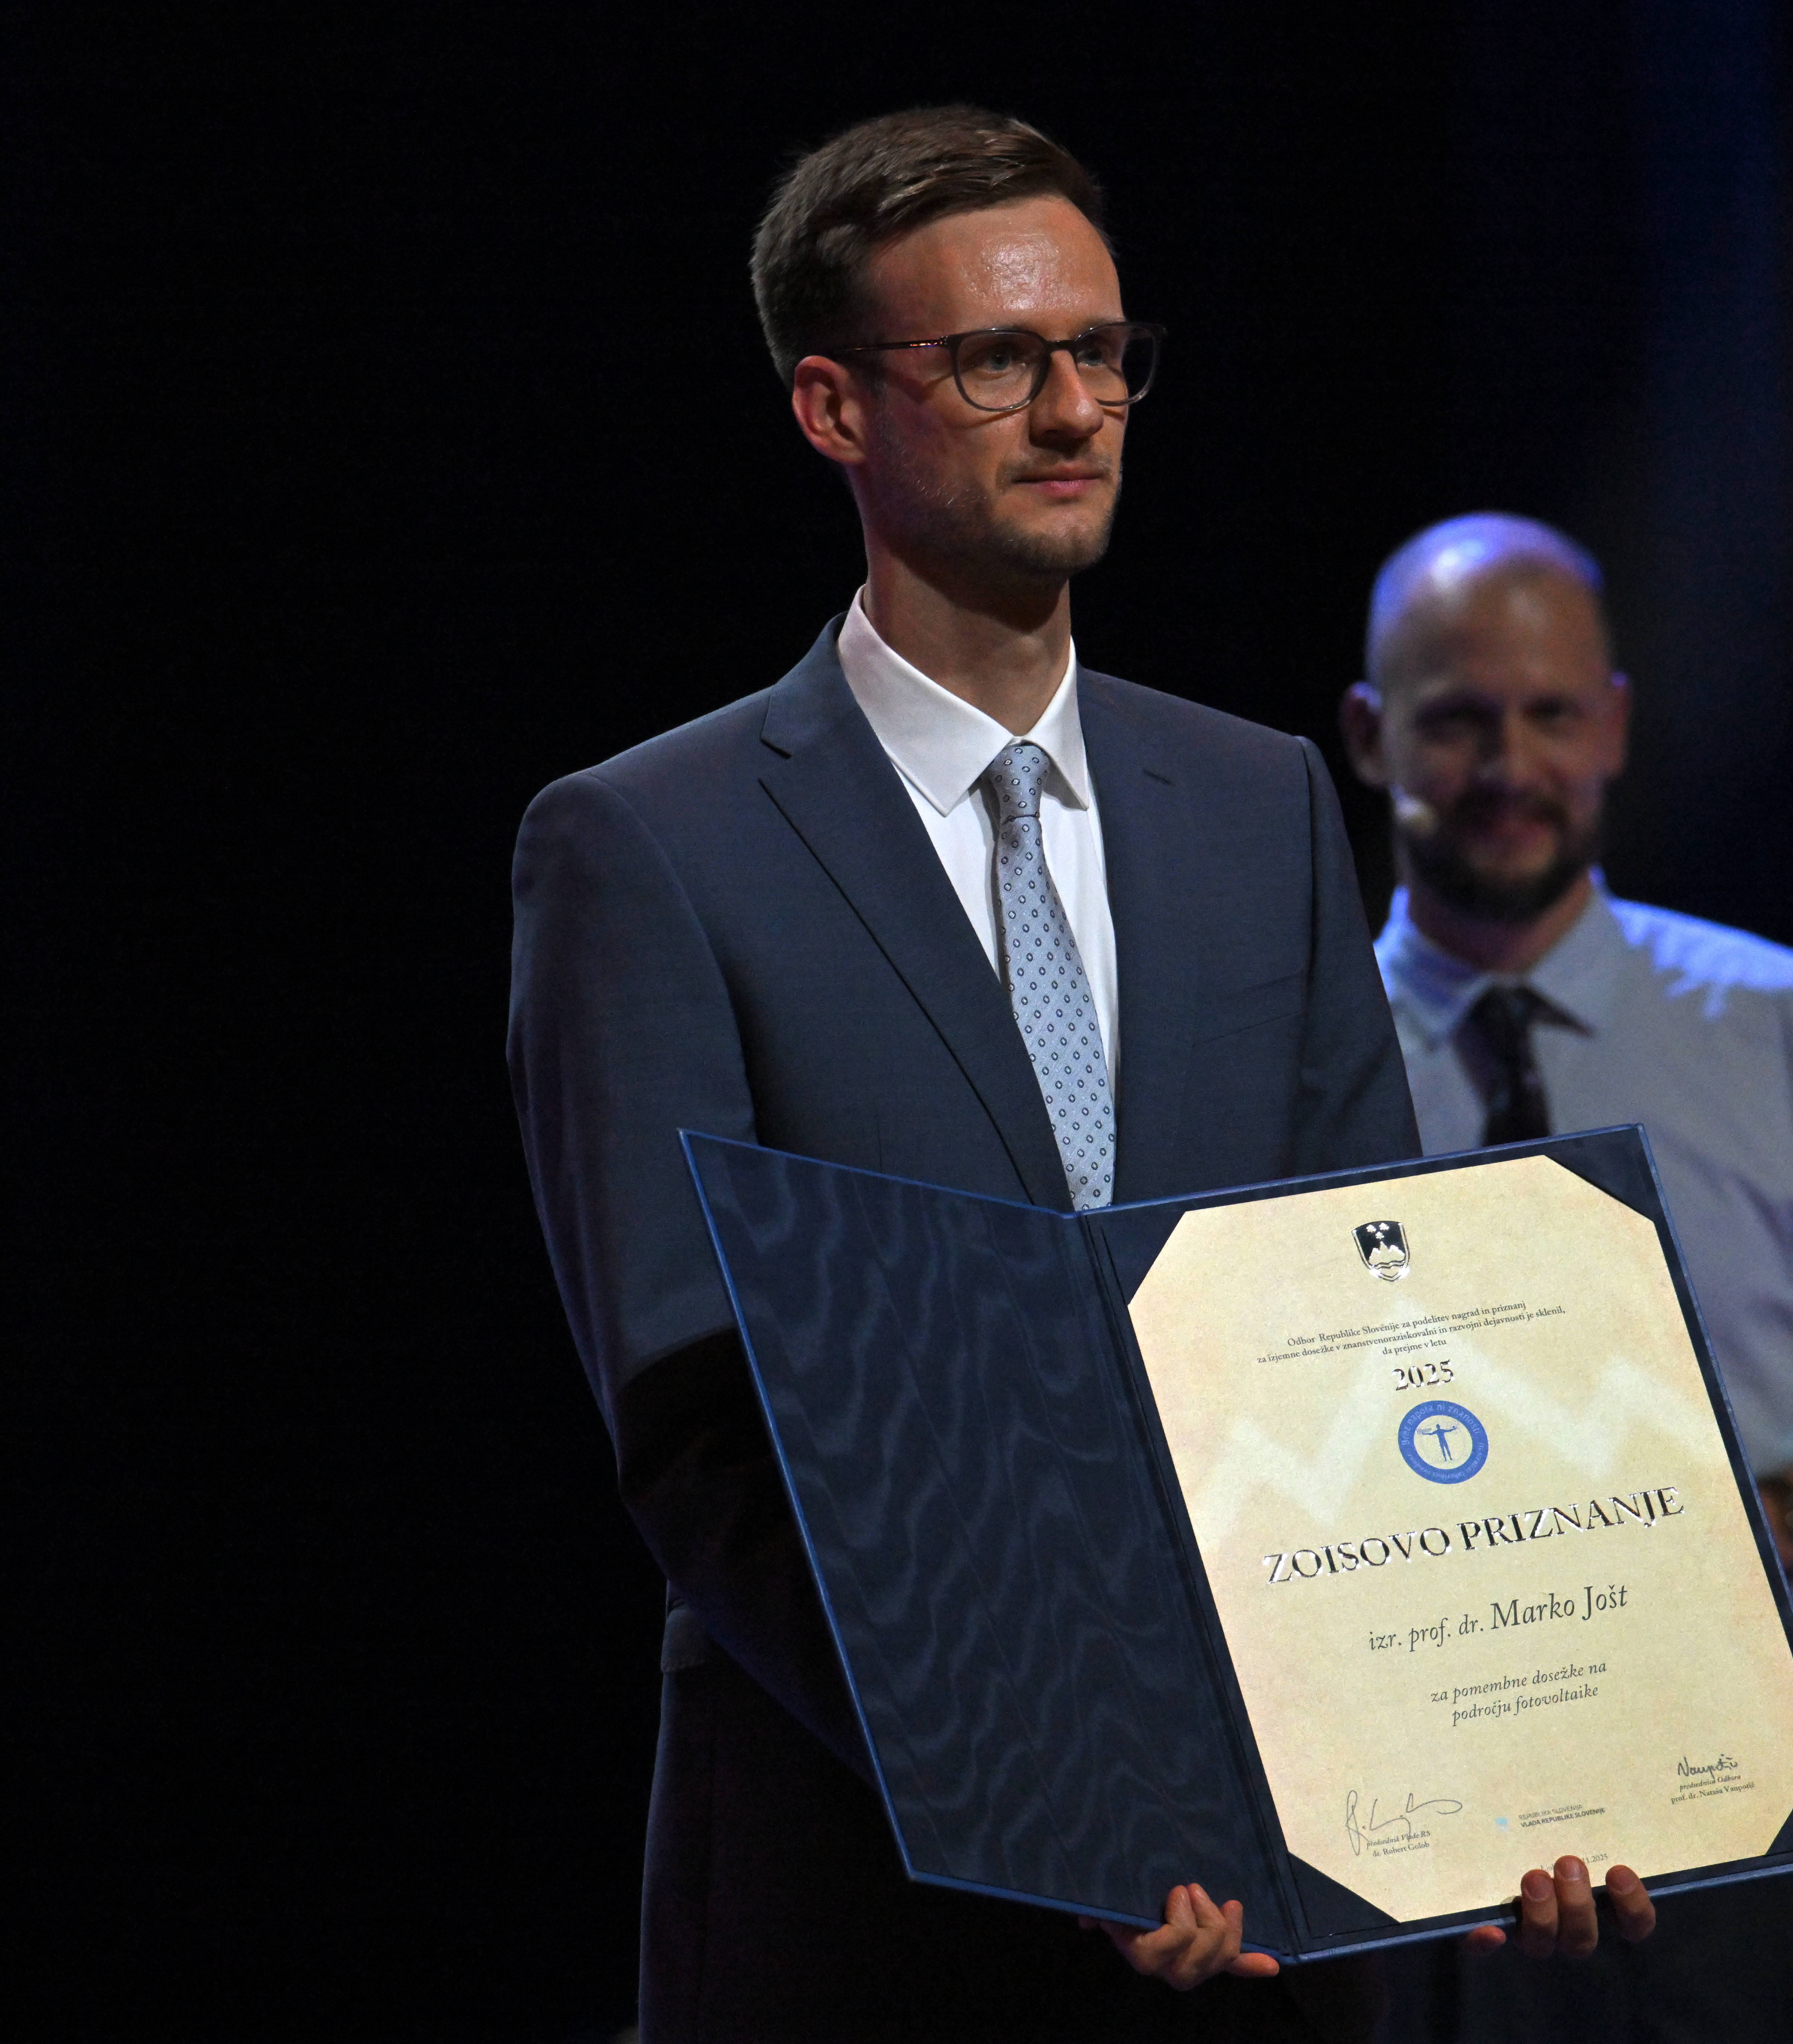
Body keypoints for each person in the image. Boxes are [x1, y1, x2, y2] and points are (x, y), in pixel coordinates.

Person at [509, 116, 1648, 2043]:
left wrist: (1501, 1769)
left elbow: (1378, 1324)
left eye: (1102, 353)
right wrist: (1073, 1807)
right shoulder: (652, 845)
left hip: (1271, 1921)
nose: (1071, 411)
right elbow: (707, 1433)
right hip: (864, 1910)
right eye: (993, 360)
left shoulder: (1259, 799)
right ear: (832, 407)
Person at [1336, 514, 1793, 2044]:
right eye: (1459, 720)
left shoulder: (1787, 1021)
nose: (1510, 764)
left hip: (1775, 1758)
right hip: (1433, 1800)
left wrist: (1776, 1522)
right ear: (1371, 737)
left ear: (1616, 726)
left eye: (1551, 713)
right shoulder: (1297, 1054)